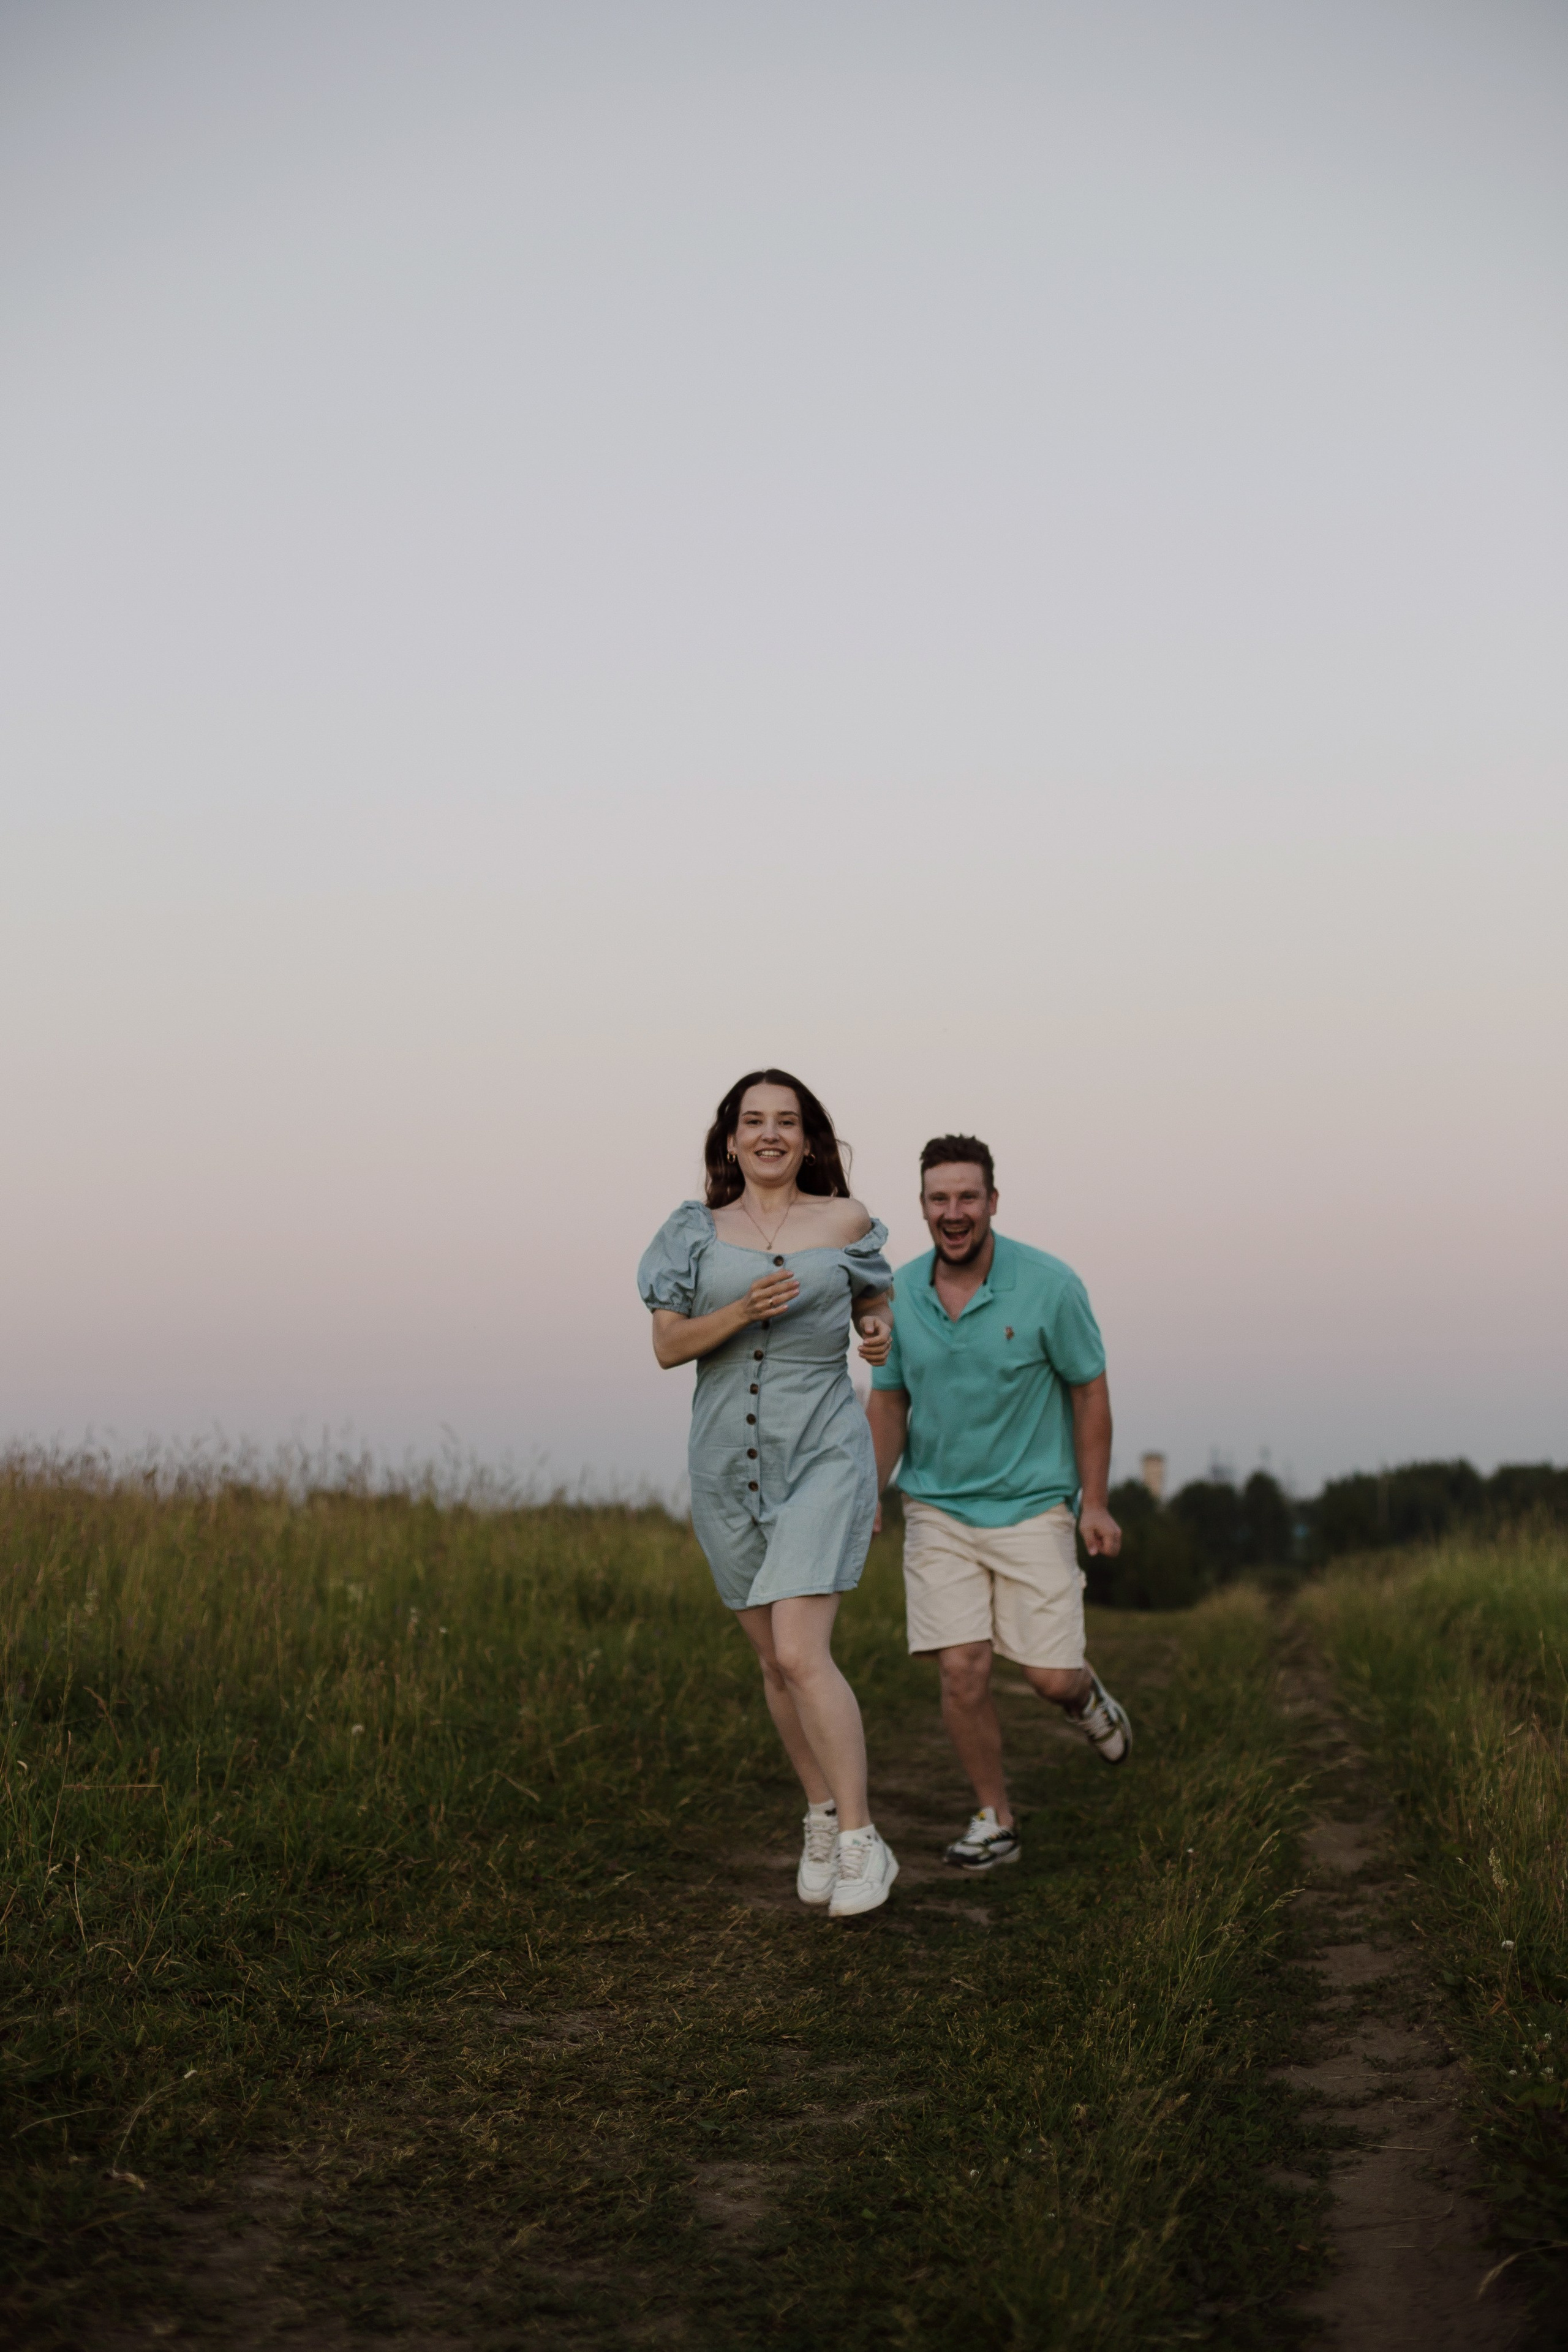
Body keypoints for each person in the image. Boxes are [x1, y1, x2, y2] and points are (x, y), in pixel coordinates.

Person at [638, 1069, 900, 1918]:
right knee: (771, 1661)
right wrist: (745, 1309)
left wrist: (875, 1328)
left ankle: (862, 1840)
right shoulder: (694, 1234)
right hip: (725, 1463)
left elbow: (874, 1292)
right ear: (730, 1139)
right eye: (753, 1121)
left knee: (799, 1651)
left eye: (787, 1121)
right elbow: (669, 1348)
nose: (770, 1135)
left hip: (823, 1449)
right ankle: (820, 1814)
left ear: (810, 1137)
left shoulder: (846, 1221)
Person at [865, 1134, 1131, 1874]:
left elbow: (1090, 1390)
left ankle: (1084, 1698)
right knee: (963, 1670)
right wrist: (870, 1492)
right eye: (938, 1199)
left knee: (1048, 1677)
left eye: (967, 1197)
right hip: (938, 1513)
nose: (954, 1213)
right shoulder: (894, 1294)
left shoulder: (1050, 1285)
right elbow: (888, 1405)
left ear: (992, 1203)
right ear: (922, 1206)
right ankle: (995, 1819)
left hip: (1033, 1507)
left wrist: (1096, 1505)